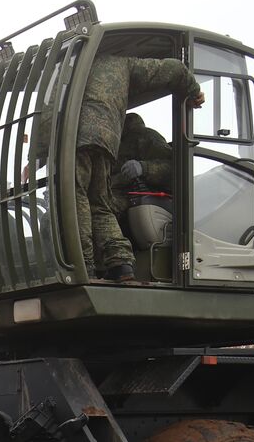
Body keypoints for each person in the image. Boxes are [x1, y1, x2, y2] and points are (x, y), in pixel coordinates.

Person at [76, 54, 203, 282]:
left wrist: (143, 168)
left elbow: (175, 169)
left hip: (135, 195)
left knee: (91, 206)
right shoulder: (110, 135)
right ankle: (107, 265)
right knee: (73, 209)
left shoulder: (143, 138)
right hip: (111, 191)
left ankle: (96, 265)